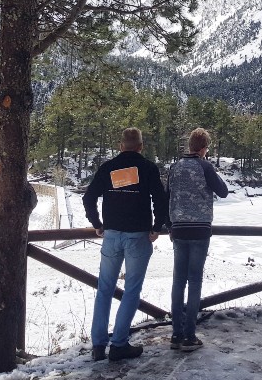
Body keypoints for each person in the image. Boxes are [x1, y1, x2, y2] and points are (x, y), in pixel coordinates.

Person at [83, 127, 167, 362]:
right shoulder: (148, 168)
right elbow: (160, 199)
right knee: (132, 290)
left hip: (111, 235)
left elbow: (89, 197)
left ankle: (99, 345)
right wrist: (157, 226)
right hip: (138, 236)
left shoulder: (109, 168)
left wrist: (97, 223)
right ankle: (119, 344)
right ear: (141, 146)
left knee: (104, 289)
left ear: (121, 146)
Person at [167, 127, 228, 352]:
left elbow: (167, 197)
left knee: (178, 281)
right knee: (194, 281)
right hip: (200, 230)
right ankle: (190, 336)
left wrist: (169, 225)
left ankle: (176, 334)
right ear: (203, 148)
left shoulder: (175, 167)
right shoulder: (205, 166)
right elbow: (223, 191)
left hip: (179, 229)